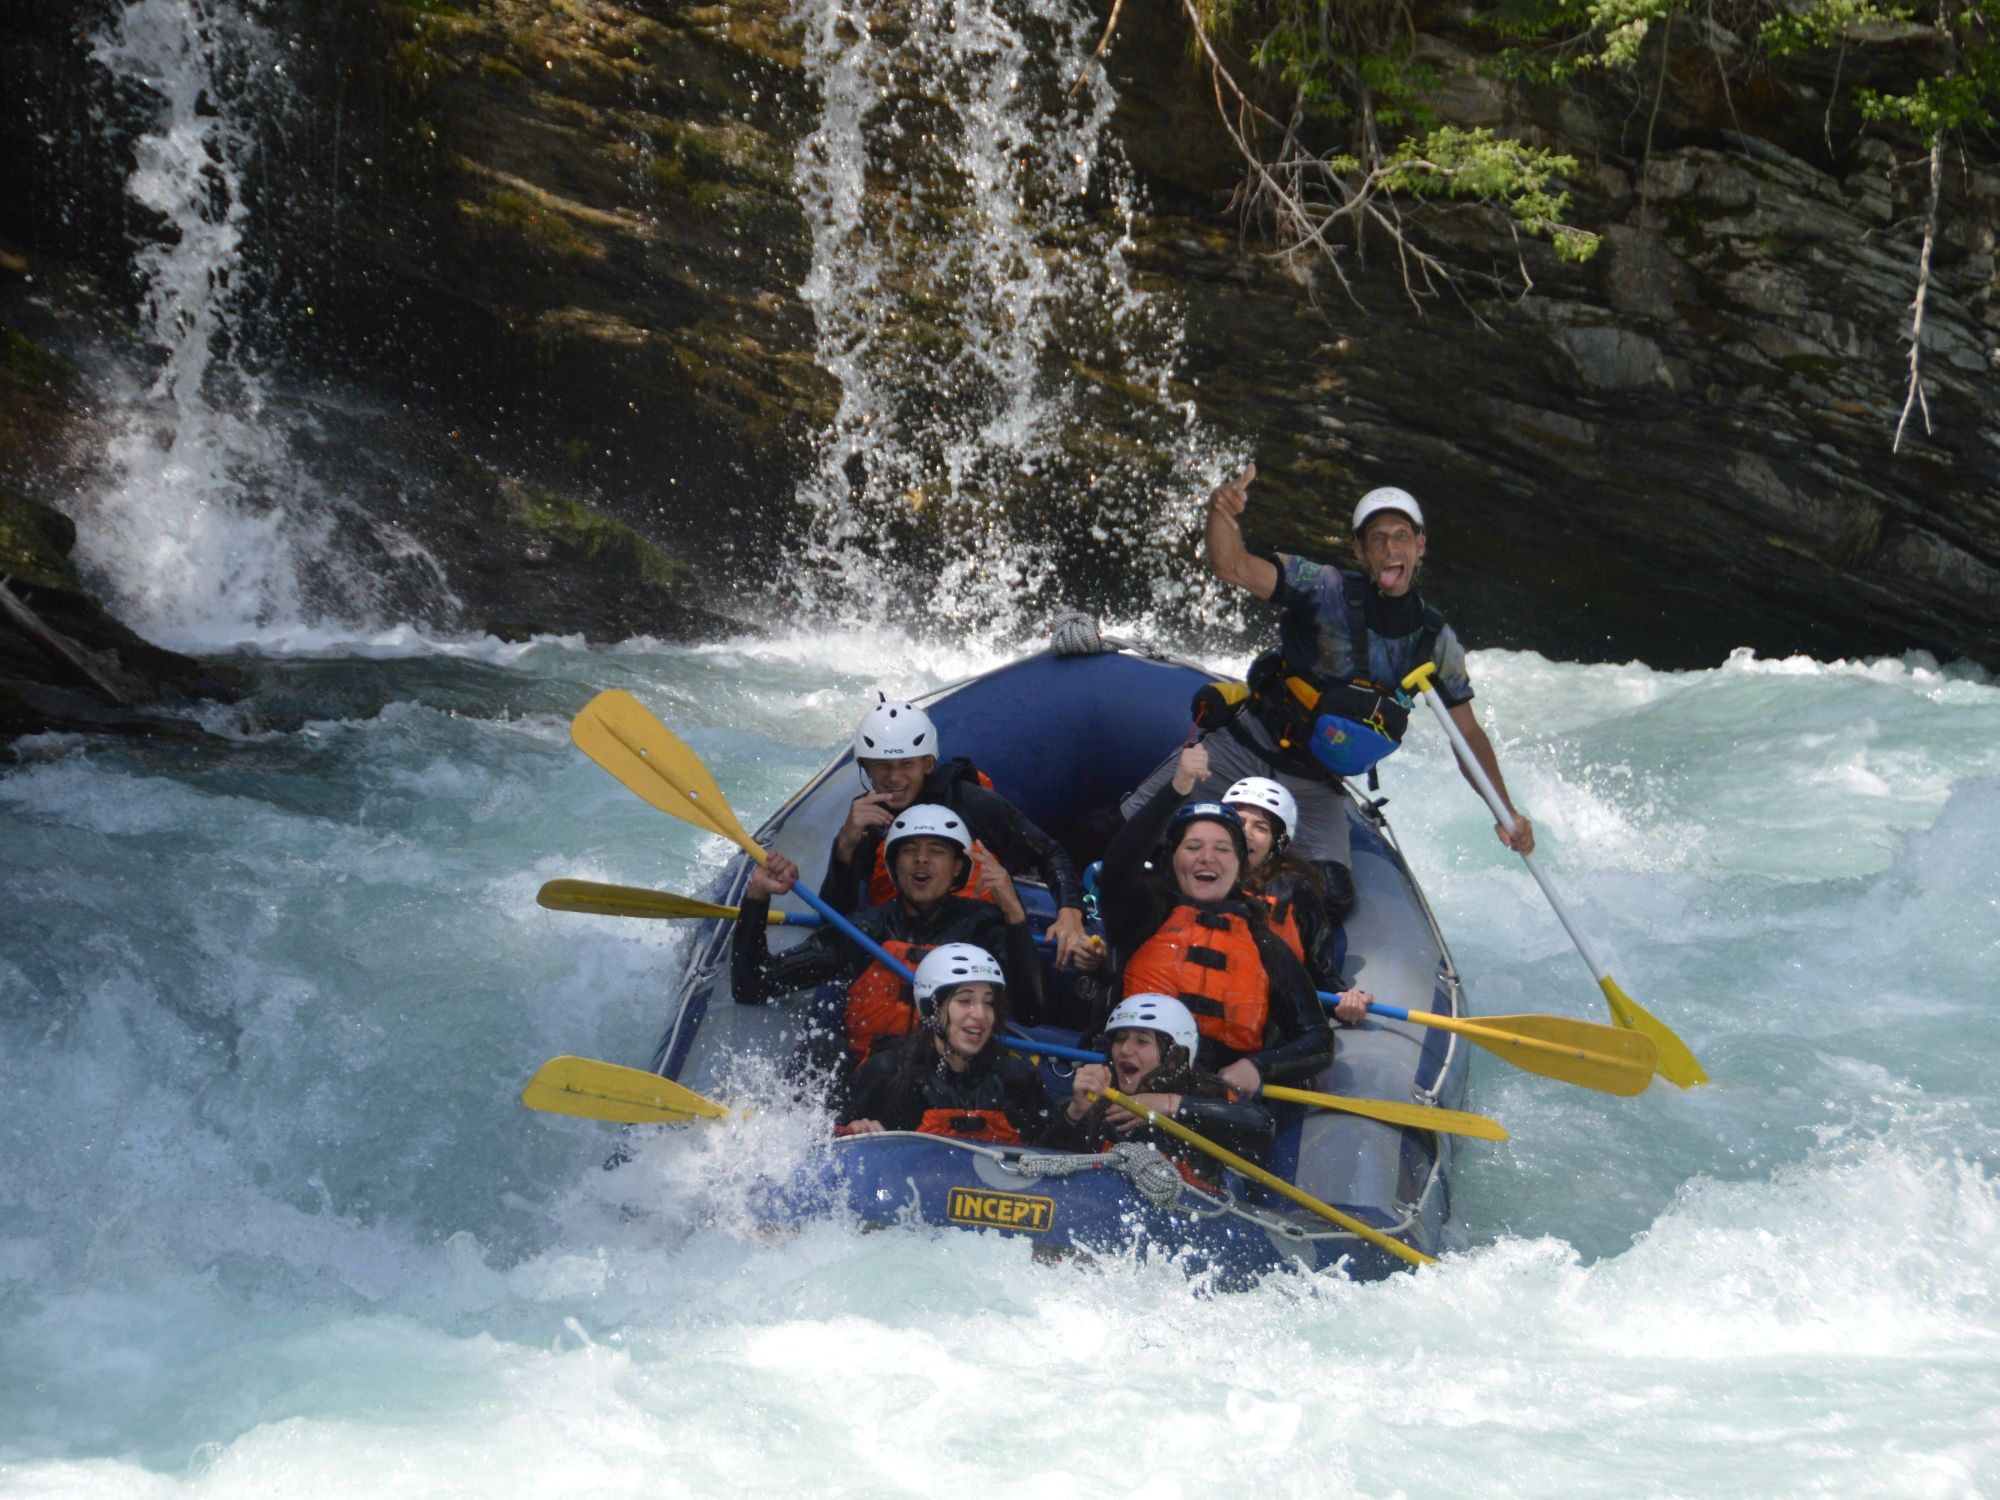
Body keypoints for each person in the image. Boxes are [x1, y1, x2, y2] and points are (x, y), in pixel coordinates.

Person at [1124, 470, 1534, 919]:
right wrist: (1221, 512)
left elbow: (1467, 736)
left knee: (1331, 896)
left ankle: (1238, 920)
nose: (1390, 549)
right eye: (1377, 538)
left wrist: (1506, 811)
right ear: (1359, 550)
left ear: (1421, 545)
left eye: (1401, 536)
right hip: (1245, 744)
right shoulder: (1324, 587)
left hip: (1314, 782)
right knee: (1119, 829)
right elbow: (1232, 565)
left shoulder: (1435, 641)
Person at [1100, 747, 1359, 1097]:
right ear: (1172, 857)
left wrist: (1258, 1066)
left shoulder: (1265, 944)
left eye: (1223, 849)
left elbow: (1317, 1038)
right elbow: (1118, 868)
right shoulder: (1144, 914)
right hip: (1129, 1083)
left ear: (1240, 866)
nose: (1207, 858)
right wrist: (1175, 790)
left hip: (1212, 1093)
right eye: (1193, 847)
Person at [733, 804, 1044, 1068]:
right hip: (877, 1082)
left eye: (936, 851)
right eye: (910, 850)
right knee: (856, 1058)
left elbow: (1029, 1013)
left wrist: (1014, 914)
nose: (921, 859)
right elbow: (752, 985)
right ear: (893, 865)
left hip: (955, 1081)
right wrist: (757, 895)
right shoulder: (865, 931)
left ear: (957, 868)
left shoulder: (983, 929)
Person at [826, 695, 1096, 969]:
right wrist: (845, 846)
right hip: (898, 949)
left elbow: (1049, 852)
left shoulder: (970, 800)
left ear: (927, 764)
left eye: (906, 764)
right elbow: (833, 920)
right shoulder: (866, 819)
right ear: (866, 768)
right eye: (882, 765)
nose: (894, 778)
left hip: (978, 941)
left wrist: (1070, 911)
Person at [1045, 993, 1274, 1183]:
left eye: (1142, 1041)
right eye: (1120, 1038)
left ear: (1174, 1057)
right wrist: (1074, 1113)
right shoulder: (1096, 1098)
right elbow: (1041, 1166)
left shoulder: (1206, 1095)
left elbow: (1263, 1126)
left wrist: (1170, 1104)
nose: (1124, 1050)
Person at [841, 944, 1054, 1144]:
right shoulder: (888, 1073)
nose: (980, 1014)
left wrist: (1070, 1117)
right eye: (964, 1001)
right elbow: (830, 1144)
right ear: (931, 1009)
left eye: (989, 1002)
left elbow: (1048, 1155)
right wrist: (854, 1131)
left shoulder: (1017, 1079)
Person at [1220, 773, 1343, 995]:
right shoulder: (1191, 873)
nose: (1246, 833)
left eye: (1260, 827)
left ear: (1276, 843)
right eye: (1239, 821)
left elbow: (1320, 968)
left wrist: (1340, 995)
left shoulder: (1292, 888)